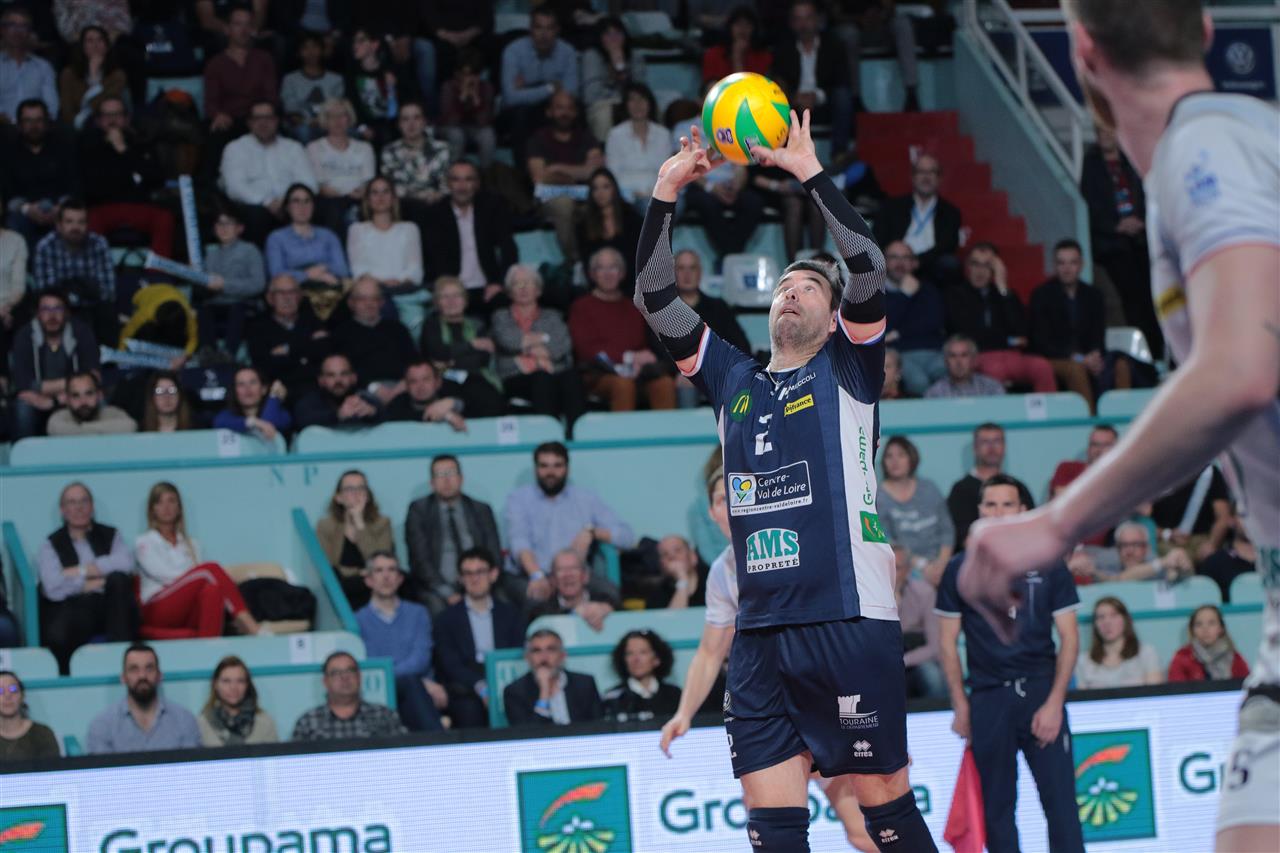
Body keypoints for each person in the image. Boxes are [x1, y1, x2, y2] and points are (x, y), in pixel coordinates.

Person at [638, 112, 934, 852]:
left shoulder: (850, 368)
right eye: (784, 287)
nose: (792, 293)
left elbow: (867, 267)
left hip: (848, 617)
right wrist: (666, 191)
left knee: (884, 812)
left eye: (808, 288)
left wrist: (809, 172)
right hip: (761, 634)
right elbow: (655, 298)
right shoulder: (732, 378)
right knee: (773, 831)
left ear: (835, 321)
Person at [660, 468, 877, 853]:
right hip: (768, 712)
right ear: (712, 512)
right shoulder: (722, 571)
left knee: (863, 831)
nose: (732, 506)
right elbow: (710, 652)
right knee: (771, 830)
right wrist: (683, 713)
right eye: (722, 499)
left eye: (738, 495)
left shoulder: (795, 543)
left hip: (823, 703)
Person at [935, 474, 1083, 853]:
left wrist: (1054, 703)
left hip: (1039, 691)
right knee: (997, 812)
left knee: (1062, 808)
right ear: (979, 511)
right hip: (988, 698)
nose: (998, 512)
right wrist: (961, 705)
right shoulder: (959, 568)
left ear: (1022, 510)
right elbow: (947, 643)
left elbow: (1070, 637)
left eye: (1007, 504)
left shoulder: (1049, 562)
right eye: (990, 505)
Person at [504, 441, 636, 597]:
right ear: (536, 469)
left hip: (576, 576)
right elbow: (519, 542)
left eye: (557, 466)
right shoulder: (519, 499)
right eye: (544, 466)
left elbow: (627, 537)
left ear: (567, 468)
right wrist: (537, 575)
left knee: (611, 594)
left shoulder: (585, 499)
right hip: (531, 574)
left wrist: (592, 532)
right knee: (536, 601)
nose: (550, 472)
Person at [135, 482, 264, 638]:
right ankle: (249, 624)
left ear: (179, 507)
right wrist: (196, 576)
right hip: (157, 608)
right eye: (159, 502)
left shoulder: (192, 544)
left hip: (185, 608)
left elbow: (198, 580)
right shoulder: (144, 542)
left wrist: (197, 578)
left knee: (212, 590)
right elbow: (166, 575)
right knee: (210, 569)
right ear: (152, 509)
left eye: (171, 501)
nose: (166, 507)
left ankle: (210, 647)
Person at [1079, 123, 1160, 357]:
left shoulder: (1132, 159)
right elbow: (1090, 205)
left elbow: (1150, 192)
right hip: (1112, 246)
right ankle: (1144, 355)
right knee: (1130, 301)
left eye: (1109, 131)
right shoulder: (1092, 164)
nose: (1105, 136)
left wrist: (1140, 220)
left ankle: (1160, 351)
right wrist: (1116, 225)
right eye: (1100, 132)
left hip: (1142, 240)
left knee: (1152, 297)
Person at [36, 482, 136, 673]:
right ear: (63, 510)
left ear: (92, 506)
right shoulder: (51, 543)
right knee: (60, 630)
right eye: (72, 502)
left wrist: (76, 572)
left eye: (84, 501)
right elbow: (52, 587)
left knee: (118, 581)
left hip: (111, 606)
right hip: (75, 608)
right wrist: (89, 581)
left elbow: (126, 564)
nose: (79, 508)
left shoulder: (111, 534)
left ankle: (124, 660)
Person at [569, 247, 675, 411]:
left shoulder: (635, 307)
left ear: (622, 273)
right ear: (592, 274)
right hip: (599, 374)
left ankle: (666, 428)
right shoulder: (581, 307)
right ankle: (623, 429)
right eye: (601, 268)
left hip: (638, 372)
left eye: (613, 267)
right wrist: (629, 357)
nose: (607, 274)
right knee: (624, 385)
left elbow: (643, 344)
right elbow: (586, 350)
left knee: (664, 384)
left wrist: (642, 360)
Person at [432, 547, 525, 728]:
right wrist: (480, 686)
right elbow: (449, 663)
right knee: (468, 709)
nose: (474, 579)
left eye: (480, 572)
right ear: (460, 578)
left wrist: (498, 684)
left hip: (506, 678)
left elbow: (517, 653)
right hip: (465, 685)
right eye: (468, 573)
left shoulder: (511, 614)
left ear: (493, 574)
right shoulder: (446, 619)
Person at [945, 243, 1056, 394]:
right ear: (967, 266)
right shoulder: (955, 294)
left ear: (995, 269)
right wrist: (1005, 339)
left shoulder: (1005, 295)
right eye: (975, 264)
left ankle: (1045, 410)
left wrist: (1002, 288)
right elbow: (966, 333)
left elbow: (1021, 332)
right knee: (994, 371)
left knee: (1042, 367)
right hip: (980, 356)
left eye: (987, 265)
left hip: (1012, 356)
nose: (980, 271)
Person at [354, 552, 445, 732]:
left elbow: (420, 659)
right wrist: (417, 682)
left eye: (392, 570)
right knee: (412, 685)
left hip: (417, 689)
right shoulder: (357, 620)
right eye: (379, 570)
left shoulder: (418, 613)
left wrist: (393, 674)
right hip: (381, 690)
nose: (386, 576)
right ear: (368, 580)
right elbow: (371, 665)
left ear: (400, 578)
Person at [1028, 239, 1120, 412]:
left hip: (1086, 357)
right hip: (1055, 358)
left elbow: (1098, 335)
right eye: (1061, 263)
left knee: (1121, 365)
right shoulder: (1041, 295)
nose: (1067, 268)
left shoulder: (1094, 295)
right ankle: (1090, 421)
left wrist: (1094, 356)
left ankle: (1123, 420)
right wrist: (1079, 358)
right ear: (1055, 266)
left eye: (1072, 262)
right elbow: (1041, 343)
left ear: (1081, 265)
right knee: (1076, 369)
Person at [490, 264, 586, 428]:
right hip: (515, 375)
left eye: (529, 283)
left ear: (538, 290)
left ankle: (575, 433)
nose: (523, 288)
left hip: (554, 371)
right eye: (517, 284)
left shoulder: (553, 316)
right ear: (509, 291)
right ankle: (549, 433)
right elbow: (508, 341)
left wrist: (527, 345)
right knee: (542, 378)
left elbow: (562, 345)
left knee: (571, 378)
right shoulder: (501, 316)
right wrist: (544, 340)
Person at [405, 455, 502, 615]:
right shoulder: (419, 510)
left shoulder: (480, 509)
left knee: (503, 602)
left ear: (461, 478)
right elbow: (420, 560)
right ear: (432, 482)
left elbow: (493, 552)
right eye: (440, 475)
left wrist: (482, 583)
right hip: (436, 585)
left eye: (451, 473)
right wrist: (447, 592)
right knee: (438, 608)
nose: (446, 480)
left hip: (479, 579)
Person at [421, 160, 517, 317]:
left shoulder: (492, 207)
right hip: (452, 289)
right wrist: (449, 289)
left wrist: (499, 283)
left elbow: (509, 248)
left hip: (489, 288)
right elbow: (433, 258)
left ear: (477, 183)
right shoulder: (435, 213)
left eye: (468, 179)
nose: (462, 186)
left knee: (506, 310)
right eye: (456, 180)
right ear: (448, 184)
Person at [219, 100, 318, 246]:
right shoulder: (235, 149)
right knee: (256, 215)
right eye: (257, 118)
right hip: (254, 206)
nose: (263, 123)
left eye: (268, 118)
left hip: (290, 204)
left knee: (313, 207)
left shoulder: (293, 148)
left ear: (277, 121)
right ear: (249, 123)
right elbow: (235, 187)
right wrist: (267, 202)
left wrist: (286, 202)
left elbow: (309, 183)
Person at [8, 289, 100, 439]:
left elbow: (94, 376)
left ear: (67, 313)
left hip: (74, 397)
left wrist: (60, 394)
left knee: (98, 401)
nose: (52, 315)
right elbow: (23, 384)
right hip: (39, 401)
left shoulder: (81, 332)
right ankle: (23, 453)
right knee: (23, 407)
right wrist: (64, 391)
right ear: (37, 314)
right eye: (46, 309)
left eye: (58, 308)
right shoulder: (25, 336)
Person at [770, 0, 855, 160]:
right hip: (793, 103)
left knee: (843, 96)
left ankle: (839, 152)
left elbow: (841, 80)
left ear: (818, 20)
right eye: (798, 19)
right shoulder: (783, 49)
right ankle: (777, 156)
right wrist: (794, 97)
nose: (803, 25)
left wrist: (816, 96)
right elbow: (778, 81)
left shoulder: (834, 45)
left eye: (808, 18)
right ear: (791, 23)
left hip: (825, 102)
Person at [526, 90, 603, 265]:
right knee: (564, 203)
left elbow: (594, 171)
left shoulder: (586, 137)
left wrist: (556, 169)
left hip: (584, 195)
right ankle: (576, 261)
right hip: (549, 196)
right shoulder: (538, 139)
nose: (565, 113)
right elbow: (539, 178)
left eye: (569, 108)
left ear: (575, 112)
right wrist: (576, 175)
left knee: (604, 199)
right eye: (559, 108)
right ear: (549, 112)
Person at [346, 175, 425, 335]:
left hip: (405, 291)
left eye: (385, 192)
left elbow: (415, 269)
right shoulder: (357, 230)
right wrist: (382, 283)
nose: (380, 197)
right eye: (375, 192)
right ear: (367, 199)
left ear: (394, 198)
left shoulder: (410, 228)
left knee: (417, 320)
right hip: (374, 294)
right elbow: (358, 269)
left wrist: (398, 282)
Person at [86, 644, 202, 754]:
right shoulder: (102, 725)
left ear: (159, 675)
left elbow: (192, 766)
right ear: (123, 678)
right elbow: (101, 768)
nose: (142, 676)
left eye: (149, 668)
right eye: (134, 669)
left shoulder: (184, 720)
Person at [419, 276, 507, 418]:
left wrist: (449, 361)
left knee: (487, 397)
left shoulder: (477, 324)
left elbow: (481, 359)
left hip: (476, 378)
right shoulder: (431, 325)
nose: (451, 301)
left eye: (456, 295)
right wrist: (471, 344)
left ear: (465, 300)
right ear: (437, 302)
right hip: (443, 380)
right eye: (445, 297)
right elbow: (437, 352)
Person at [500, 8, 580, 157]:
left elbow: (571, 92)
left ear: (557, 30)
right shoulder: (513, 51)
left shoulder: (567, 52)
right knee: (521, 114)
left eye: (549, 28)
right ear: (530, 29)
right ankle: (524, 170)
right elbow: (511, 97)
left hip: (551, 105)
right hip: (519, 110)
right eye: (538, 27)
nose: (544, 34)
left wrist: (526, 89)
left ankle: (570, 166)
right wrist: (550, 88)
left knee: (571, 110)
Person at [873, 153, 962, 282]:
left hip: (929, 265)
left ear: (939, 178)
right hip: (894, 260)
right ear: (913, 177)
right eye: (921, 172)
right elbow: (879, 238)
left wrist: (917, 261)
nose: (926, 177)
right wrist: (899, 258)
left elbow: (947, 246)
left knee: (950, 263)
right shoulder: (891, 207)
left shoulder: (950, 212)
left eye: (931, 172)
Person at [265, 183, 350, 317]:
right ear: (287, 207)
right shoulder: (276, 238)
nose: (302, 206)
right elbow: (276, 273)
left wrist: (322, 268)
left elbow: (343, 270)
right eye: (296, 201)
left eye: (307, 201)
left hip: (329, 292)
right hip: (295, 294)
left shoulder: (328, 235)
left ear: (313, 206)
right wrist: (307, 275)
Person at [877, 436, 953, 587]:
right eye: (889, 456)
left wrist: (942, 564)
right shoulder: (878, 497)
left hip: (940, 564)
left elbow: (947, 531)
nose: (895, 461)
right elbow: (887, 542)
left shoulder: (929, 488)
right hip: (905, 569)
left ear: (911, 458)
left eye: (901, 455)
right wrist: (923, 566)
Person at [3, 99, 77, 247]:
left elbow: (75, 184)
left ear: (47, 122)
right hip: (24, 212)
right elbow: (6, 191)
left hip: (59, 209)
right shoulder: (8, 152)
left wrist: (60, 208)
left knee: (73, 220)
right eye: (28, 121)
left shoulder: (63, 147)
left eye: (39, 120)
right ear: (19, 124)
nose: (34, 126)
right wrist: (27, 209)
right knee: (13, 223)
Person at [316, 470, 394, 610]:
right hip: (342, 586)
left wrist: (359, 523)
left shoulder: (382, 523)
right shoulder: (326, 526)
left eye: (361, 488)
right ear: (339, 497)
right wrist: (359, 573)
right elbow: (328, 566)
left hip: (373, 586)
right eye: (349, 489)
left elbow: (381, 561)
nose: (356, 493)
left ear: (368, 496)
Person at [947, 422, 1031, 550]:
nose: (991, 448)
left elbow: (1032, 527)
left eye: (997, 441)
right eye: (985, 442)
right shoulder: (960, 490)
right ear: (975, 448)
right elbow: (959, 536)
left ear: (1004, 446)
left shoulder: (1018, 487)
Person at [330, 276, 418, 397]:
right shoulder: (341, 334)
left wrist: (404, 384)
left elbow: (415, 362)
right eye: (362, 299)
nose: (369, 303)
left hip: (404, 388)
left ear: (382, 302)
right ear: (351, 303)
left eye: (374, 298)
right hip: (361, 392)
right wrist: (373, 388)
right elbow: (341, 372)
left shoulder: (398, 329)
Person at [246, 274, 332, 398]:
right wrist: (306, 346)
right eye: (281, 293)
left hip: (316, 389)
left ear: (300, 296)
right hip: (278, 392)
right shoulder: (258, 328)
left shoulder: (313, 321)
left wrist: (288, 349)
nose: (287, 298)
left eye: (292, 292)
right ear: (270, 298)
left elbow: (325, 351)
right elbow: (266, 366)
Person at [33, 199, 115, 326]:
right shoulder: (45, 246)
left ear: (87, 224)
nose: (75, 227)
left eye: (81, 222)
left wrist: (72, 290)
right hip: (58, 312)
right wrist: (83, 289)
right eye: (69, 221)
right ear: (59, 225)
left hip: (93, 311)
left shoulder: (99, 244)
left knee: (107, 312)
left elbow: (108, 291)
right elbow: (45, 292)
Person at [292, 651, 408, 741]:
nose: (344, 677)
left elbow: (402, 753)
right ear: (325, 681)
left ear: (359, 677)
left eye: (350, 670)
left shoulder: (384, 716)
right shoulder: (308, 722)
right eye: (336, 673)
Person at [882, 241, 947, 396]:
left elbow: (933, 323)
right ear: (884, 262)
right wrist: (904, 295)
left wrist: (898, 333)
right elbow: (884, 327)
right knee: (919, 382)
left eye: (905, 258)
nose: (900, 263)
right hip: (900, 353)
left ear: (914, 263)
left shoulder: (929, 290)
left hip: (934, 350)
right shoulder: (875, 292)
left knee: (948, 372)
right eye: (894, 257)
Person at [503, 629, 604, 726]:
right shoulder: (515, 692)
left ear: (563, 655)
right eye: (536, 650)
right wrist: (544, 694)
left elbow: (599, 726)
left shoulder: (585, 684)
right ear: (527, 657)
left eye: (551, 649)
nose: (544, 657)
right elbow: (525, 734)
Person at [200, 207, 266, 355]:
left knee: (237, 310)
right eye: (219, 224)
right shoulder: (209, 252)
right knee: (203, 310)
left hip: (242, 304)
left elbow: (258, 284)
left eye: (228, 223)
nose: (223, 228)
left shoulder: (250, 250)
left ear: (240, 228)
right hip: (214, 303)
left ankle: (228, 354)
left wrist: (225, 285)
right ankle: (207, 353)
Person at [306, 97, 375, 234]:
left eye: (342, 115)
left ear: (349, 119)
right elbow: (321, 187)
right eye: (332, 116)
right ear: (325, 120)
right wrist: (345, 196)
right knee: (335, 208)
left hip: (358, 199)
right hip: (329, 201)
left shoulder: (365, 148)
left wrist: (359, 193)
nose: (337, 120)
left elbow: (368, 182)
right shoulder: (313, 148)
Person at [837, 0, 921, 113]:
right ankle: (855, 98)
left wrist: (881, 15)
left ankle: (911, 93)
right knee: (849, 34)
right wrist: (859, 19)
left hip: (881, 27)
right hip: (854, 28)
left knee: (902, 24)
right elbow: (834, 15)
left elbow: (891, 9)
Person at [204, 7, 276, 135]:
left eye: (248, 25)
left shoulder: (264, 59)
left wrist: (262, 116)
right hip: (229, 121)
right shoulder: (215, 64)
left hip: (260, 118)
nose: (244, 30)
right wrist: (217, 115)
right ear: (227, 29)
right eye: (238, 24)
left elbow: (271, 96)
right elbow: (211, 102)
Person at [605, 83, 673, 210]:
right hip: (626, 196)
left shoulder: (663, 134)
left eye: (642, 99)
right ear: (626, 105)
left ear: (650, 103)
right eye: (632, 100)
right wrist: (631, 194)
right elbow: (613, 173)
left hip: (658, 194)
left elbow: (667, 173)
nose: (638, 104)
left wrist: (653, 194)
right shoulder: (615, 135)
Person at [580, 16, 647, 142]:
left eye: (617, 33)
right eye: (608, 34)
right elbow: (591, 96)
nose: (613, 38)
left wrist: (620, 67)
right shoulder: (591, 56)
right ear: (600, 38)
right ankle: (603, 149)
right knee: (604, 114)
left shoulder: (635, 56)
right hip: (602, 103)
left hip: (630, 100)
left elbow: (641, 90)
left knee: (649, 107)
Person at [380, 101, 452, 215]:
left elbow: (448, 183)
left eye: (416, 118)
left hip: (436, 205)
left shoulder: (442, 148)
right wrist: (419, 196)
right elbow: (390, 186)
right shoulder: (389, 151)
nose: (411, 124)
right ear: (399, 125)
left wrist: (438, 195)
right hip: (403, 208)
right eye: (405, 119)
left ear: (424, 122)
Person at [1068, 520, 1193, 585]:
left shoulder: (1153, 559)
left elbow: (1177, 576)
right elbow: (1121, 579)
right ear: (1117, 548)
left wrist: (1183, 566)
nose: (1130, 551)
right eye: (1124, 545)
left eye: (1136, 545)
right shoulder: (1106, 559)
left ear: (1146, 548)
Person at [1075, 597, 1163, 689]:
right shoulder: (1083, 661)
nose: (1107, 622)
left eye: (1113, 615)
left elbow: (1154, 693)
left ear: (1125, 620)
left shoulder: (1147, 654)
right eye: (1101, 617)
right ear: (1095, 624)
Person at [575, 169, 643, 284]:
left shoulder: (632, 218)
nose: (600, 193)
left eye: (606, 187)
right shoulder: (583, 224)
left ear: (614, 189)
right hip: (597, 284)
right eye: (595, 188)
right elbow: (586, 260)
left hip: (631, 282)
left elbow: (639, 257)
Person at [894, 547, 945, 699]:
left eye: (896, 568)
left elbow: (935, 646)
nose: (890, 573)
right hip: (886, 655)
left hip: (915, 655)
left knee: (933, 676)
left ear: (908, 571)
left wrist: (903, 661)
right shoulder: (870, 594)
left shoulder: (925, 592)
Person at [526, 550, 621, 631]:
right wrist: (574, 613)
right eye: (561, 570)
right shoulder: (543, 610)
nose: (568, 575)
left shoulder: (605, 601)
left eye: (574, 569)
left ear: (585, 576)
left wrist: (606, 609)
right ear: (553, 580)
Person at [197, 655, 279, 746]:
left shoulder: (264, 722)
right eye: (226, 681)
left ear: (247, 685)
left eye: (240, 681)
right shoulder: (202, 724)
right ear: (215, 684)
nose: (233, 687)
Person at [602, 630, 681, 721]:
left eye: (643, 652)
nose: (636, 659)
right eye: (629, 653)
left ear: (657, 659)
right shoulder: (612, 698)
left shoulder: (675, 695)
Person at [280, 32, 344, 144]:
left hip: (330, 124)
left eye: (315, 47)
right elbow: (291, 111)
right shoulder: (290, 79)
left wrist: (322, 121)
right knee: (304, 131)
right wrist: (308, 122)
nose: (311, 52)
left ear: (322, 50)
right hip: (302, 125)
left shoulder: (336, 79)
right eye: (305, 48)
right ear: (298, 52)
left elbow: (338, 108)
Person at [437, 49, 496, 167]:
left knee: (488, 135)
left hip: (474, 128)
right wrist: (462, 98)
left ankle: (486, 173)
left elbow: (484, 122)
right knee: (456, 134)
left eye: (475, 74)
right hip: (449, 128)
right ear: (457, 73)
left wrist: (476, 99)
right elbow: (450, 121)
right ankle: (455, 173)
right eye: (466, 74)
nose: (470, 79)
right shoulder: (448, 87)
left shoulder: (486, 88)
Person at [294, 353, 383, 430]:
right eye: (330, 375)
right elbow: (302, 422)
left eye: (344, 374)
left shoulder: (366, 399)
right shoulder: (309, 403)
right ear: (321, 380)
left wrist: (373, 413)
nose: (338, 380)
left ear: (354, 378)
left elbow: (386, 419)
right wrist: (338, 416)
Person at [60, 26, 126, 128]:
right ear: (82, 46)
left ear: (107, 46)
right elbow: (66, 111)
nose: (95, 45)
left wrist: (93, 75)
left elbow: (100, 108)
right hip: (75, 127)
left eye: (100, 40)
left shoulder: (117, 76)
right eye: (90, 41)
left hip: (107, 125)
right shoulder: (68, 74)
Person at [0, 7, 58, 123]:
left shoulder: (43, 67)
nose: (18, 31)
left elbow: (51, 107)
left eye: (23, 26)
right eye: (12, 25)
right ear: (3, 30)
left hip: (36, 127)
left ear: (30, 32)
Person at [1169, 605, 1251, 683]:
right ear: (1192, 630)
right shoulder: (1182, 657)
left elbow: (1247, 685)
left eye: (1211, 623)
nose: (1205, 629)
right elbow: (1176, 688)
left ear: (1221, 628)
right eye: (1199, 624)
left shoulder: (1235, 658)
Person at [383, 359, 468, 429]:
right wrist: (447, 416)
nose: (420, 386)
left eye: (426, 379)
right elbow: (408, 417)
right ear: (407, 386)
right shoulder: (397, 404)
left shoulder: (452, 394)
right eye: (413, 381)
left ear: (438, 382)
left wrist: (455, 403)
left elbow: (471, 401)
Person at [46, 371, 137, 436]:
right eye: (75, 395)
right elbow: (53, 427)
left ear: (100, 395)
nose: (83, 401)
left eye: (89, 394)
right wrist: (103, 430)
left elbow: (130, 426)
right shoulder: (61, 417)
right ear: (67, 399)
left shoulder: (113, 413)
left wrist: (81, 427)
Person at [213, 365, 291, 441]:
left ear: (263, 389)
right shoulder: (227, 415)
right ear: (235, 391)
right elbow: (219, 422)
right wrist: (252, 422)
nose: (247, 388)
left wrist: (274, 397)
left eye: (253, 382)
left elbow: (269, 424)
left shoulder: (280, 413)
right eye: (241, 384)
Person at [701, 6, 772, 87]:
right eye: (738, 24)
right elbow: (710, 86)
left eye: (748, 24)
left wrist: (738, 59)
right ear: (730, 27)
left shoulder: (763, 56)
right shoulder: (713, 54)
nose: (743, 29)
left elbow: (750, 87)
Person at [0, 671, 60, 761]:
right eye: (0, 691)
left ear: (22, 696)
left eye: (13, 689)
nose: (8, 696)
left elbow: (53, 767)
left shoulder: (43, 733)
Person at [923, 334, 1006, 399]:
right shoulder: (934, 393)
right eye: (953, 356)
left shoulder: (992, 389)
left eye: (964, 355)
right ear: (946, 361)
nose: (958, 361)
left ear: (974, 360)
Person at [649, 535, 710, 610]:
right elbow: (673, 617)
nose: (672, 556)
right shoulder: (657, 593)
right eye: (665, 554)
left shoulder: (713, 581)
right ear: (661, 564)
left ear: (693, 557)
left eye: (677, 550)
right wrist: (682, 579)